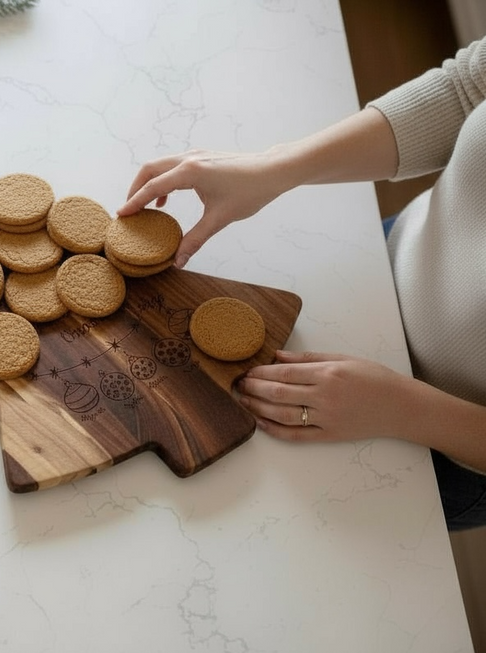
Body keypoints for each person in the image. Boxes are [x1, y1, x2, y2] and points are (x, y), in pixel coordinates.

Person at [117, 39, 486, 531]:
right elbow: (468, 90)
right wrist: (277, 166)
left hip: (444, 439)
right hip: (382, 268)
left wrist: (404, 409)